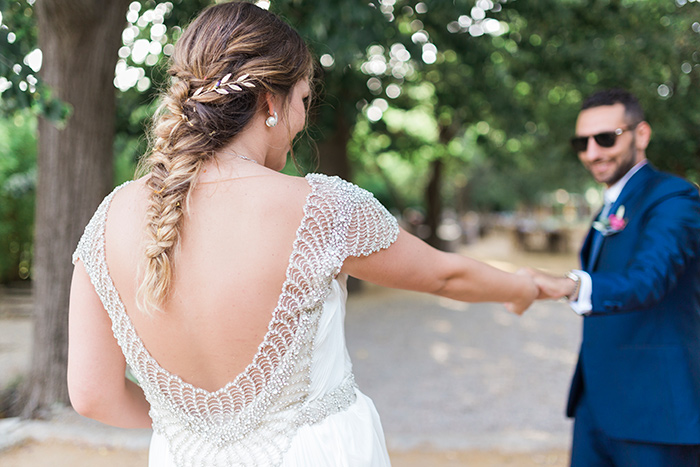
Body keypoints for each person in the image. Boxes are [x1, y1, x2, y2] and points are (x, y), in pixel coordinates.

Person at [67, 2, 537, 465]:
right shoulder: (321, 208)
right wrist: (525, 286)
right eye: (304, 100)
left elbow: (92, 396)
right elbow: (444, 277)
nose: (302, 121)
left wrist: (191, 428)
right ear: (271, 101)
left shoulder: (109, 218)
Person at [530, 88, 700, 466]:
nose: (592, 153)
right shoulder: (611, 203)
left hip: (655, 411)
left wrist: (568, 284)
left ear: (641, 134)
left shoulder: (675, 198)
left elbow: (649, 279)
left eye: (605, 138)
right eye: (582, 142)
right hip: (597, 404)